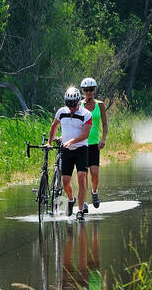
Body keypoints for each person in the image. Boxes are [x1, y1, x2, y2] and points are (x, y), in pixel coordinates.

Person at [47, 85, 92, 218]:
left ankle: (80, 210)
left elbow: (85, 134)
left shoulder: (86, 114)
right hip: (67, 150)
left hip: (81, 149)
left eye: (74, 105)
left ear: (79, 102)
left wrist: (71, 141)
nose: (72, 108)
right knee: (65, 182)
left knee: (81, 177)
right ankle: (71, 200)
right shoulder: (61, 112)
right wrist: (49, 142)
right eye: (69, 105)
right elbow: (54, 126)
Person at [80, 77, 109, 207]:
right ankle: (84, 201)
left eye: (91, 90)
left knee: (95, 174)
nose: (89, 92)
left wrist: (103, 139)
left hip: (94, 144)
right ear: (83, 91)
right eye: (86, 90)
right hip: (82, 144)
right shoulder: (78, 105)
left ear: (94, 90)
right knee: (83, 174)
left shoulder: (100, 105)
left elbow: (105, 124)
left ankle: (95, 191)